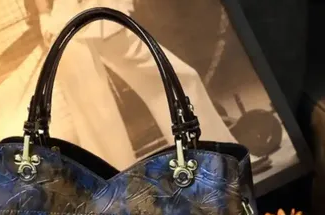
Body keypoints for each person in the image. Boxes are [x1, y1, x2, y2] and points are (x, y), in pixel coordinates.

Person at [38, 0, 237, 166]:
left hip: (97, 13)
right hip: (63, 21)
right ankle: (116, 190)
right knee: (94, 116)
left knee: (176, 79)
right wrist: (44, 15)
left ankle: (212, 158)